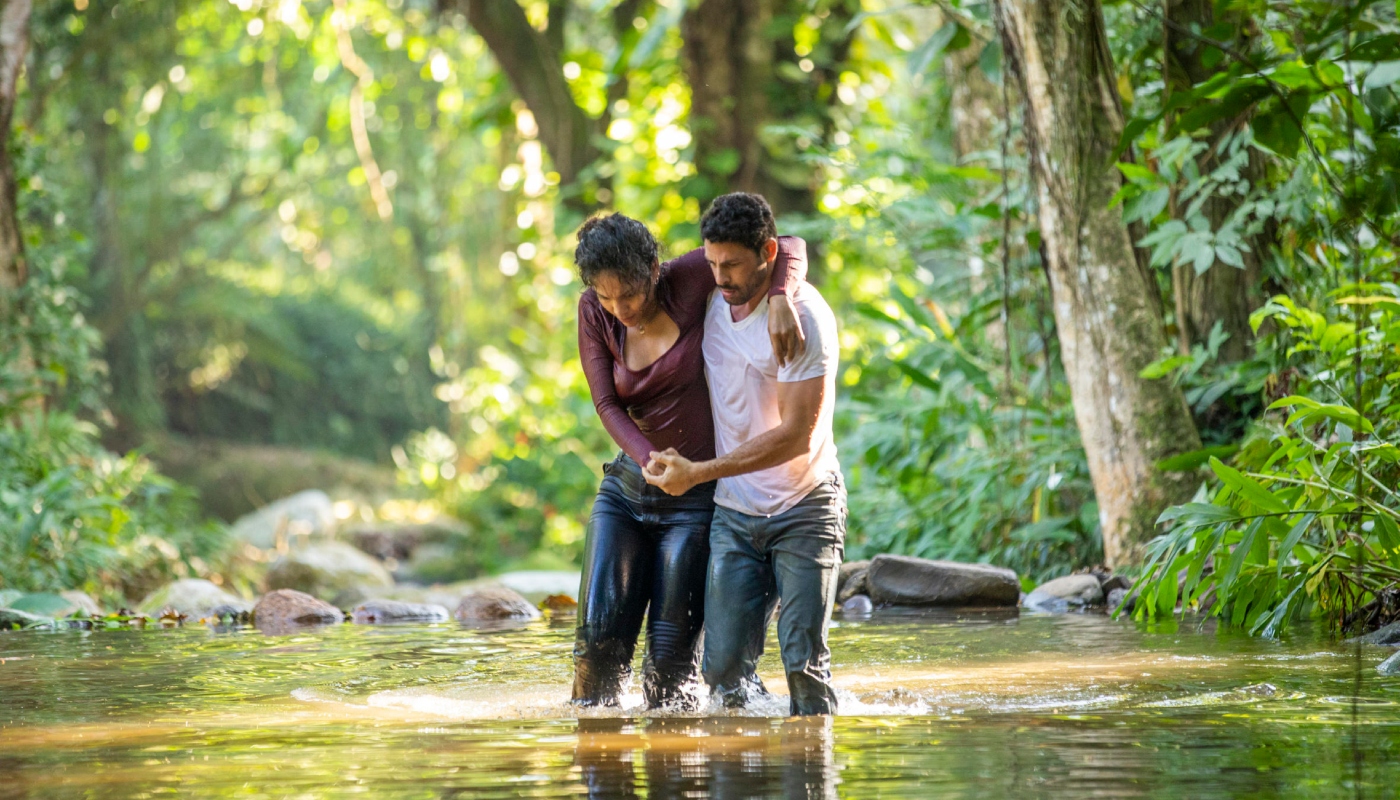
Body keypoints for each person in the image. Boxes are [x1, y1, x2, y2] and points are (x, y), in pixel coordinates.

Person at [572, 212, 809, 709]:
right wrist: (650, 459)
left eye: (630, 295)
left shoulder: (690, 277)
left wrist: (782, 296)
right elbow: (607, 404)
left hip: (696, 500)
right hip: (628, 492)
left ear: (653, 270)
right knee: (596, 648)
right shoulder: (593, 313)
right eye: (606, 296)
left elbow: (786, 243)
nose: (620, 309)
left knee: (668, 672)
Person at [643, 192, 846, 716]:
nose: (720, 276)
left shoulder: (804, 319)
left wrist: (700, 473)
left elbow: (796, 435)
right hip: (735, 514)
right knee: (723, 673)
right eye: (712, 263)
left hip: (805, 506)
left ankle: (810, 764)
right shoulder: (711, 300)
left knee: (803, 666)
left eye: (731, 264)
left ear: (767, 253)